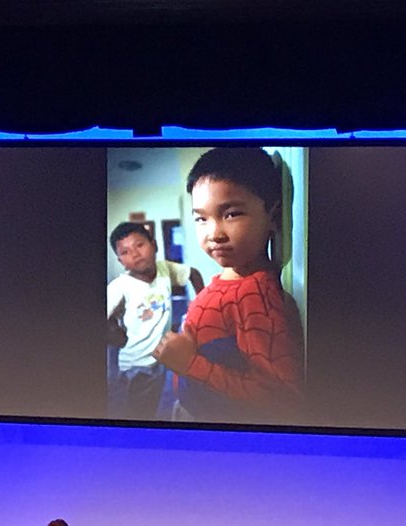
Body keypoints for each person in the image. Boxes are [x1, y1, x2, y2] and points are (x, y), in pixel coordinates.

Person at [152, 145, 304, 424]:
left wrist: (189, 363)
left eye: (231, 214)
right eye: (201, 218)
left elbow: (281, 399)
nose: (214, 233)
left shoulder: (255, 295)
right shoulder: (225, 281)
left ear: (273, 216)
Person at [106, 222, 204, 420]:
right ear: (120, 261)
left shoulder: (164, 269)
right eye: (125, 252)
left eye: (139, 245)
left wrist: (202, 304)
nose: (134, 254)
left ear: (154, 245)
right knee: (137, 413)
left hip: (161, 357)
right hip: (137, 364)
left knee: (156, 402)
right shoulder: (120, 287)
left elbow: (193, 273)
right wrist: (116, 336)